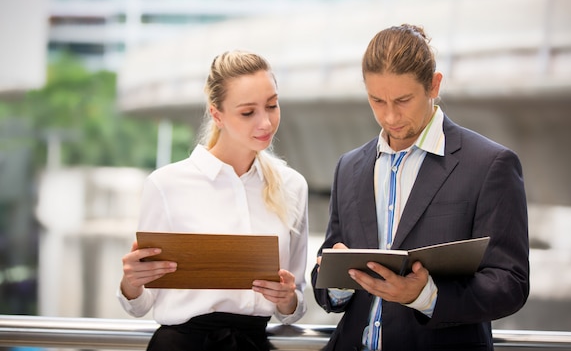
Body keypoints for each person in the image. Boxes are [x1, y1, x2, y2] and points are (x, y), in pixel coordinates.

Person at [311, 24, 529, 350]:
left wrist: (424, 296)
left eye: (403, 100)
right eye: (376, 100)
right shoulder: (349, 167)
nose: (389, 116)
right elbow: (324, 278)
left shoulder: (490, 165)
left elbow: (510, 284)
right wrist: (337, 281)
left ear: (433, 85)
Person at [118, 50, 309, 351]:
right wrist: (131, 283)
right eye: (248, 113)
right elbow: (140, 306)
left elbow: (293, 307)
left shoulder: (293, 186)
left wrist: (288, 299)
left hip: (253, 344)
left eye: (272, 105)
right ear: (217, 114)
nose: (266, 123)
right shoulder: (166, 185)